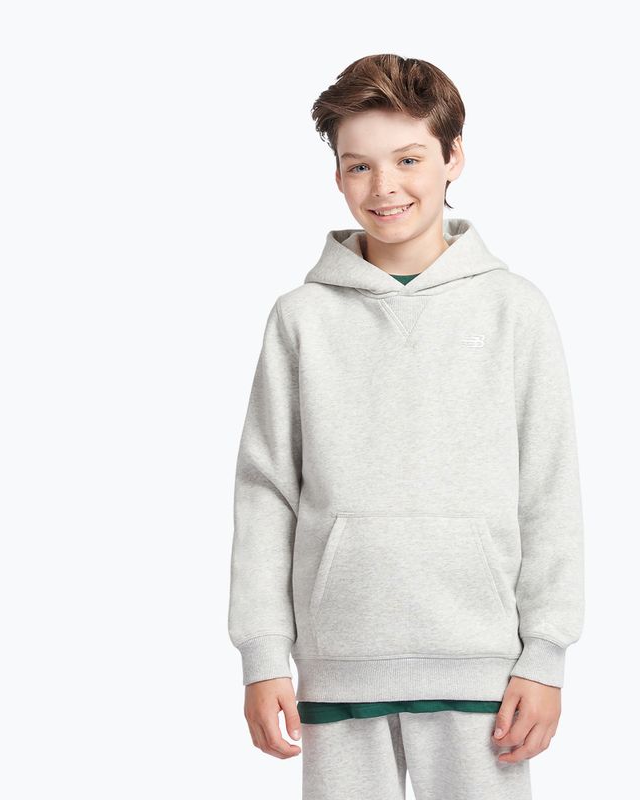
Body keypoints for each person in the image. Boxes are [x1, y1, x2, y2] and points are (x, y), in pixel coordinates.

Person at [228, 53, 585, 800]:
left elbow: (548, 491)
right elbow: (266, 495)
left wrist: (545, 655)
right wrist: (262, 656)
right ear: (337, 175)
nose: (384, 186)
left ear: (454, 157)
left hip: (484, 667)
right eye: (358, 165)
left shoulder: (514, 310)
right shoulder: (301, 318)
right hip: (339, 661)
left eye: (409, 159)